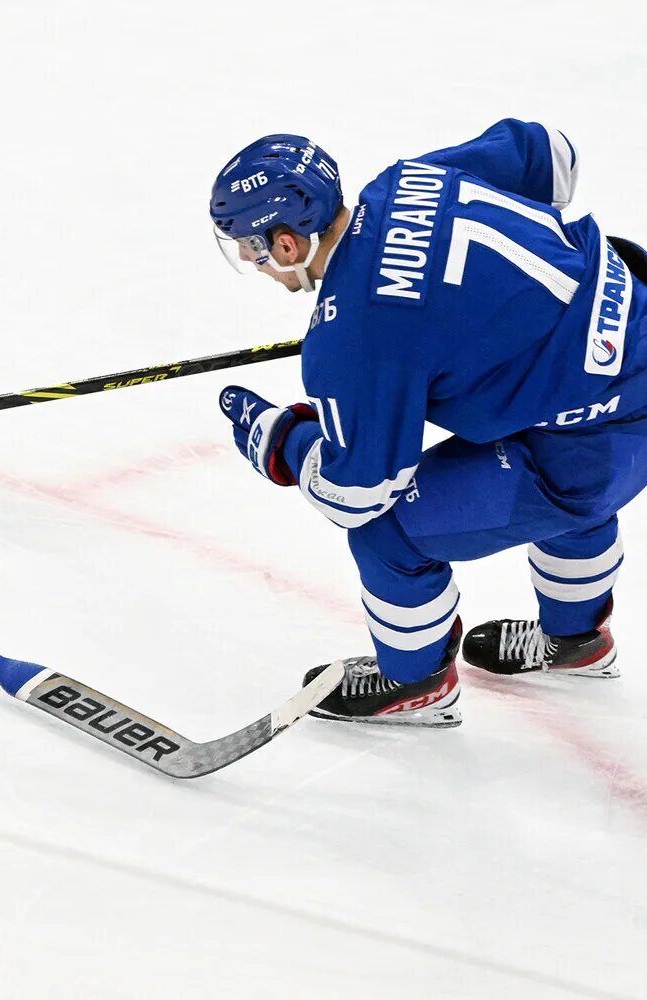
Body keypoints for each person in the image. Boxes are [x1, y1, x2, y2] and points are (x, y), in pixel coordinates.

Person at [207, 120, 643, 728]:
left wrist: (282, 442)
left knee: (390, 537)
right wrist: (476, 298)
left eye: (252, 248)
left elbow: (356, 492)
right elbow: (549, 153)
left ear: (287, 244)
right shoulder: (406, 181)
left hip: (599, 439)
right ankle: (576, 641)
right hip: (626, 343)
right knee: (568, 471)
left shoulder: (355, 337)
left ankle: (416, 682)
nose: (255, 265)